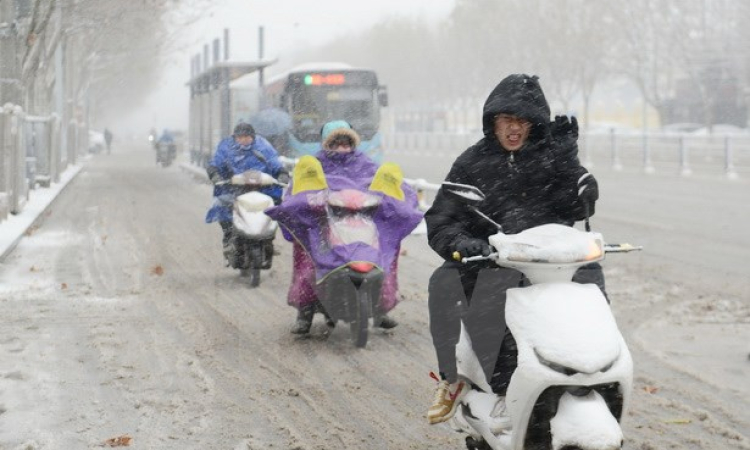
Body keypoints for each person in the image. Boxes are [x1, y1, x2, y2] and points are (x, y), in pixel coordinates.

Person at [423, 74, 604, 425]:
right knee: (443, 285)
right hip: (491, 261)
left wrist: (568, 160)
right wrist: (463, 244)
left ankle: (590, 373)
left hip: (551, 263)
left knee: (591, 280)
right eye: (506, 120)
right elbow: (441, 220)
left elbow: (580, 207)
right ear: (493, 123)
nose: (514, 129)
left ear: (534, 124)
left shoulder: (553, 157)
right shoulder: (471, 163)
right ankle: (453, 379)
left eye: (522, 120)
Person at [273, 120, 420, 335]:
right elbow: (299, 191)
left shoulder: (364, 163)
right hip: (323, 223)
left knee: (385, 253)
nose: (342, 148)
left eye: (346, 143)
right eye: (336, 143)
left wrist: (392, 200)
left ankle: (380, 309)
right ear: (326, 144)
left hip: (362, 221)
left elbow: (382, 183)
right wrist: (308, 205)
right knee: (307, 257)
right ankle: (305, 312)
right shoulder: (314, 165)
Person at [204, 122, 289, 260]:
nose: (243, 140)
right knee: (221, 205)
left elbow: (274, 162)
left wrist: (282, 173)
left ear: (253, 137)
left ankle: (269, 237)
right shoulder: (226, 147)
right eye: (240, 137)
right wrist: (215, 174)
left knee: (276, 208)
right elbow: (216, 163)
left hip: (263, 189)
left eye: (247, 137)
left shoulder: (263, 146)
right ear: (235, 137)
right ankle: (228, 237)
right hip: (233, 189)